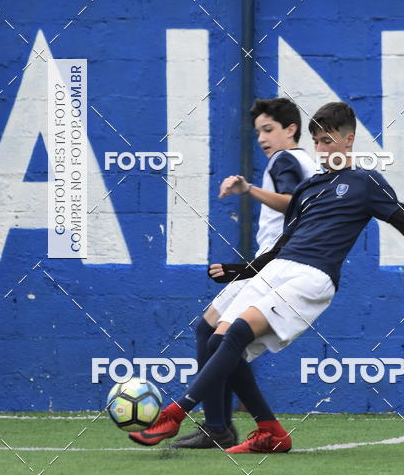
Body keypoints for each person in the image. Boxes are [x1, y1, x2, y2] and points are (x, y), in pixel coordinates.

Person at [132, 101, 404, 454]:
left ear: (349, 141)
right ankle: (269, 430)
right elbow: (280, 247)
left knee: (238, 333)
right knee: (215, 341)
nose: (322, 149)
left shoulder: (365, 182)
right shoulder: (309, 188)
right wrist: (239, 271)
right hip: (277, 268)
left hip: (314, 276)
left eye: (329, 141)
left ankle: (176, 412)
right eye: (317, 141)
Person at [130, 97, 317, 449]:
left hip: (275, 264)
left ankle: (222, 426)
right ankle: (222, 425)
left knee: (217, 338)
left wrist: (248, 190)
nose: (262, 138)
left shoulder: (285, 159)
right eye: (258, 131)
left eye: (269, 129)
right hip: (277, 262)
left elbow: (294, 201)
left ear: (290, 130)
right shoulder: (304, 160)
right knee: (212, 334)